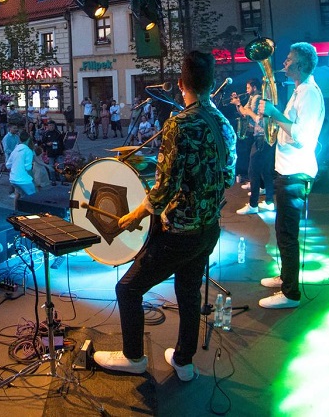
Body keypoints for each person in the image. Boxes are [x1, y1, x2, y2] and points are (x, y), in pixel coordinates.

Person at [93, 51, 235, 382]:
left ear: (181, 84)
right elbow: (227, 176)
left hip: (179, 233)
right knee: (189, 292)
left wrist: (135, 215)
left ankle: (133, 357)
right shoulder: (223, 123)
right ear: (211, 82)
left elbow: (165, 188)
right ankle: (184, 362)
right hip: (208, 228)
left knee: (128, 290)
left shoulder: (179, 124)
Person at [258, 42, 325, 309]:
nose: (283, 63)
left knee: (287, 235)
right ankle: (286, 277)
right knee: (283, 231)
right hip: (288, 171)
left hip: (295, 173)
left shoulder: (309, 94)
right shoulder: (300, 91)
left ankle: (290, 293)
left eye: (288, 59)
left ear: (300, 65)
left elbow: (301, 137)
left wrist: (274, 113)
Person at [232, 78, 276, 214]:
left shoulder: (257, 98)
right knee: (266, 171)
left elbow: (255, 117)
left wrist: (242, 106)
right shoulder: (255, 98)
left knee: (253, 170)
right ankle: (269, 202)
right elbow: (244, 111)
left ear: (255, 88)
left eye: (248, 87)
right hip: (266, 137)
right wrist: (239, 105)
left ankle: (253, 205)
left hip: (261, 136)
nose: (246, 90)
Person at [6, 131, 35, 201]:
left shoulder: (15, 150)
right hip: (24, 180)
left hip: (13, 178)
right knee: (33, 197)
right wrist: (32, 178)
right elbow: (28, 168)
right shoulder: (28, 151)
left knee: (18, 194)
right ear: (28, 139)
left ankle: (17, 207)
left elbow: (8, 165)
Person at [39, 120, 65, 184]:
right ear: (48, 126)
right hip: (50, 152)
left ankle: (62, 180)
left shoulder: (58, 133)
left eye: (52, 125)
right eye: (50, 125)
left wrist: (63, 150)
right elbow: (43, 143)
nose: (51, 127)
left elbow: (62, 143)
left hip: (58, 152)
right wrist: (47, 144)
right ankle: (53, 180)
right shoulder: (46, 133)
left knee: (61, 166)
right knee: (51, 167)